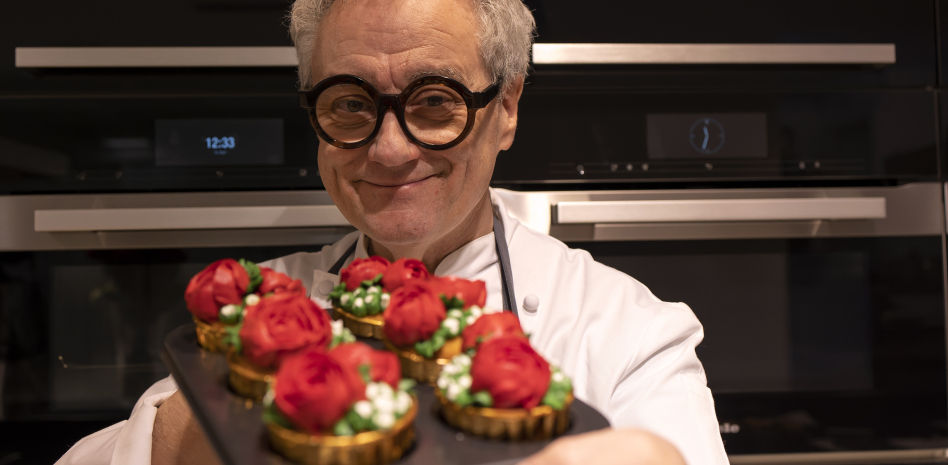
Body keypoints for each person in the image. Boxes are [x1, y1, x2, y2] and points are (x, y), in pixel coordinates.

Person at [57, 0, 730, 464]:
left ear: (507, 107)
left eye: (434, 102)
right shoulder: (263, 311)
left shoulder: (627, 330)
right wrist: (178, 435)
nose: (388, 150)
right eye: (350, 104)